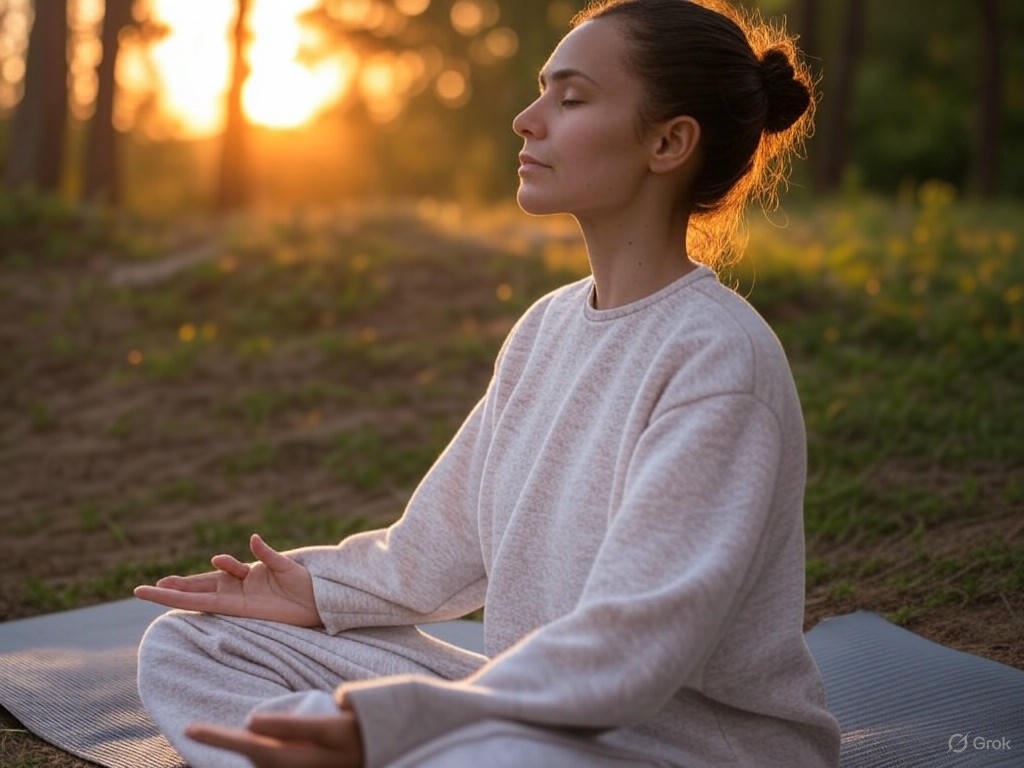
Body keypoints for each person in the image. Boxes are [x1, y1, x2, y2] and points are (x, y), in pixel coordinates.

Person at [134, 0, 841, 765]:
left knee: (489, 756)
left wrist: (416, 724)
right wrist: (315, 591)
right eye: (542, 91)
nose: (526, 120)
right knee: (193, 641)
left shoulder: (718, 360)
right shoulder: (547, 327)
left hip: (686, 744)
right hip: (541, 710)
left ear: (668, 142)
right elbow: (433, 551)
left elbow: (635, 644)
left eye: (570, 99)